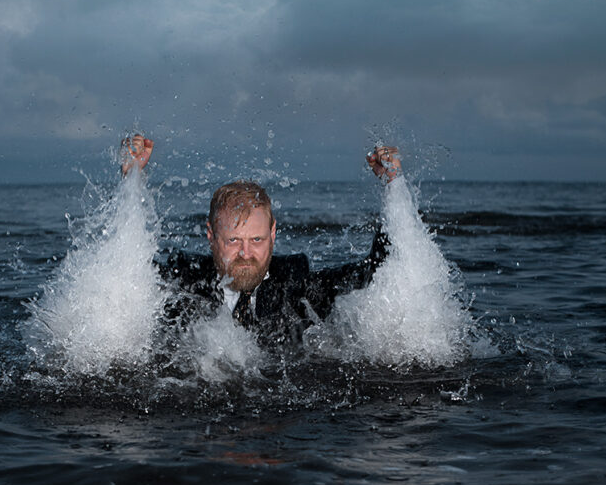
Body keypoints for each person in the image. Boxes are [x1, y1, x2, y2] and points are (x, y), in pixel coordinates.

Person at [119, 133, 401, 346]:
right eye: (232, 241)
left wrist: (393, 187)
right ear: (211, 237)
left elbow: (375, 272)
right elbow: (125, 275)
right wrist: (131, 179)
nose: (245, 253)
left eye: (256, 239)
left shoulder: (297, 285)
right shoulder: (183, 282)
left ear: (273, 234)